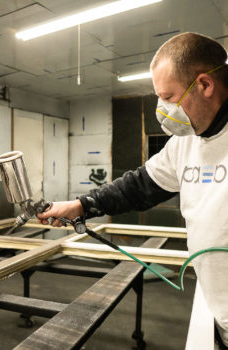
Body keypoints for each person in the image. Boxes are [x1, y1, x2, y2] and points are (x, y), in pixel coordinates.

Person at [37, 32, 228, 349]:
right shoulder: (184, 143)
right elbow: (140, 186)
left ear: (205, 85)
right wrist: (81, 205)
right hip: (220, 316)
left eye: (169, 96)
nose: (163, 109)